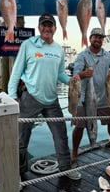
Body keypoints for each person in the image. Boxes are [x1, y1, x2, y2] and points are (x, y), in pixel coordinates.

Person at [8, 12, 81, 180]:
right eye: (44, 25)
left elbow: (60, 74)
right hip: (30, 98)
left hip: (52, 100)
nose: (47, 28)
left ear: (55, 28)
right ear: (39, 27)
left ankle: (65, 169)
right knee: (21, 139)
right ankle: (18, 173)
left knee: (61, 135)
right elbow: (16, 71)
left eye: (50, 25)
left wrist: (72, 81)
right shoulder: (28, 45)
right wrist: (12, 95)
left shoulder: (58, 49)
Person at [71, 27, 110, 166]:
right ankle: (74, 153)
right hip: (84, 100)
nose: (97, 40)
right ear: (90, 38)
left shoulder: (108, 56)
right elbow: (76, 74)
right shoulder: (82, 55)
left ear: (102, 40)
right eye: (95, 37)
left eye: (100, 37)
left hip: (105, 97)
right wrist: (84, 74)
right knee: (80, 126)